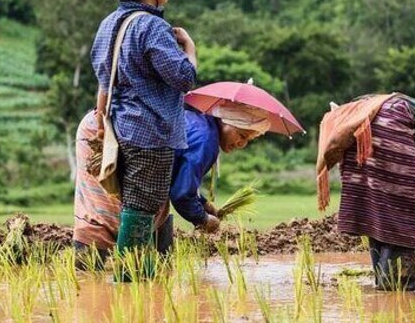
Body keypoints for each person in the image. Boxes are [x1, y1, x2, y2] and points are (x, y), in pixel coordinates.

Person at [89, 0, 197, 273]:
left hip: (121, 129)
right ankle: (131, 281)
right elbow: (184, 78)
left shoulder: (109, 25)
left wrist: (101, 125)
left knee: (134, 205)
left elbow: (104, 82)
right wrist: (190, 48)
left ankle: (135, 279)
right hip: (151, 133)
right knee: (141, 208)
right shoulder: (152, 28)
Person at [74, 101, 270, 264]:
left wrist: (202, 204)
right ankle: (89, 272)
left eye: (249, 140)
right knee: (104, 208)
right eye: (241, 135)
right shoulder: (205, 139)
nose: (242, 144)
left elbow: (177, 180)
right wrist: (202, 219)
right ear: (225, 121)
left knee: (154, 206)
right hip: (104, 133)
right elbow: (181, 194)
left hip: (124, 130)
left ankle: (153, 269)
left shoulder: (202, 128)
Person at [316, 93, 415, 291]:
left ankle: (384, 296)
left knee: (379, 217)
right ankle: (395, 295)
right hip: (392, 121)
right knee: (406, 224)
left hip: (359, 120)